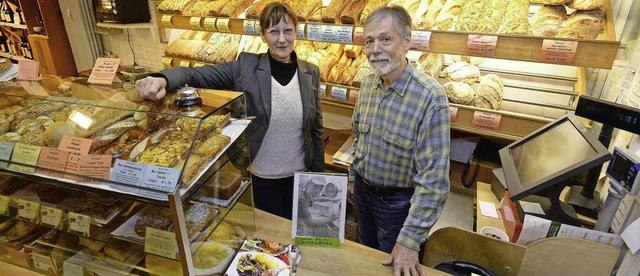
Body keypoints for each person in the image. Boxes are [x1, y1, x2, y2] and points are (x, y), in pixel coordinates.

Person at [135, 2, 324, 220]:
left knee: (302, 235)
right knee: (272, 239)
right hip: (264, 176)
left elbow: (316, 127)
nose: (282, 39)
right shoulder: (246, 67)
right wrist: (163, 78)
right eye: (274, 31)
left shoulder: (311, 72)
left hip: (301, 176)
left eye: (288, 30)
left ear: (295, 32)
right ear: (263, 35)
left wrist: (318, 175)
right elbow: (199, 75)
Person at [349, 5, 450, 276]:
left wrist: (410, 239)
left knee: (395, 268)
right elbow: (358, 137)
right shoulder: (369, 85)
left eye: (385, 39)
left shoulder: (430, 97)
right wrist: (352, 177)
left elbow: (434, 180)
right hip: (363, 195)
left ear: (406, 41)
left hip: (398, 208)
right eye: (369, 40)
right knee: (366, 260)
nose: (374, 49)